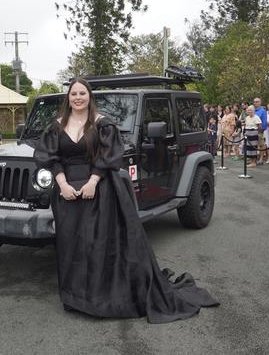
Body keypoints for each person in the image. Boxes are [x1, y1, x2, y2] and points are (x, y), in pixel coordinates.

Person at [33, 78, 219, 323]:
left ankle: (98, 300)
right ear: (68, 97)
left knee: (96, 244)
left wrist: (92, 182)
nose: (78, 97)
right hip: (66, 192)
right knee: (70, 244)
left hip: (98, 189)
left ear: (89, 96)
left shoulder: (102, 124)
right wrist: (63, 185)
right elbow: (50, 157)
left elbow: (110, 156)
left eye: (82, 93)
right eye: (74, 93)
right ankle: (75, 298)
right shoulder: (57, 126)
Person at [253, 98, 267, 164]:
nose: (255, 103)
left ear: (260, 102)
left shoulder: (263, 111)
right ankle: (253, 158)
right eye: (254, 102)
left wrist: (262, 129)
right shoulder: (253, 110)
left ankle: (261, 159)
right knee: (253, 145)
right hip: (252, 130)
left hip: (259, 130)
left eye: (257, 102)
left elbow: (264, 121)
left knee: (261, 144)